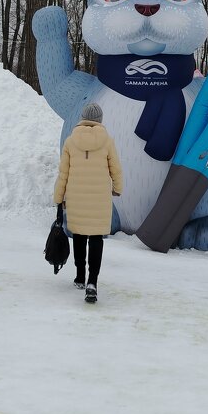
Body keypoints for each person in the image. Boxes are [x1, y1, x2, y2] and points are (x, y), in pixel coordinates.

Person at [53, 102, 123, 304]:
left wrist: (59, 197)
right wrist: (118, 188)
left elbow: (63, 173)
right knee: (95, 238)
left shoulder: (70, 142)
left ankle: (79, 276)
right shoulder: (107, 141)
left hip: (76, 198)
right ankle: (92, 282)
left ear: (82, 118)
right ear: (99, 120)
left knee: (80, 235)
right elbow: (115, 169)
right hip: (100, 199)